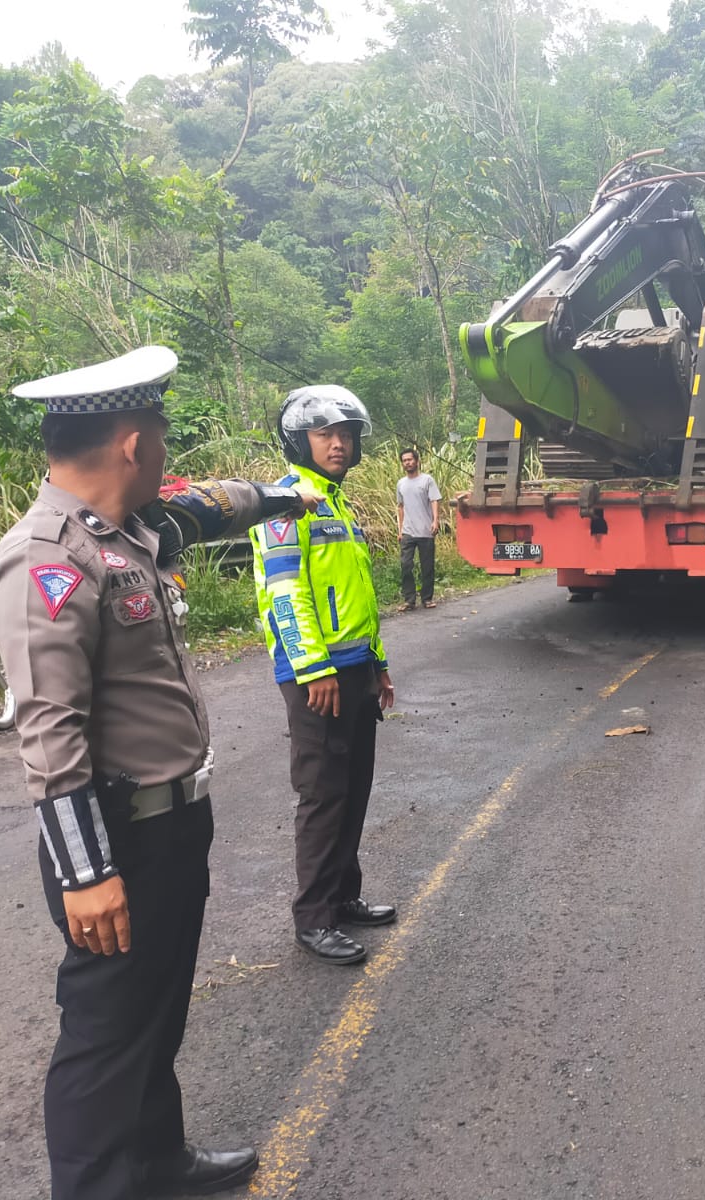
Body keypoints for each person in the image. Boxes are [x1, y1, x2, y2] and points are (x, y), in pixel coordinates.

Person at [0, 345, 323, 1200]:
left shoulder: (130, 531)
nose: (169, 451)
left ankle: (158, 1163)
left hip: (172, 825)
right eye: (163, 434)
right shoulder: (45, 559)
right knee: (105, 1033)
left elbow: (207, 507)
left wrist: (283, 494)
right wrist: (87, 873)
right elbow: (48, 732)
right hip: (113, 838)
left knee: (158, 1009)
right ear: (133, 442)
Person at [251, 385, 398, 966]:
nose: (339, 444)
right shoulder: (288, 502)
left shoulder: (336, 504)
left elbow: (358, 598)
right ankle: (313, 918)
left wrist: (379, 664)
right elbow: (285, 595)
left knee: (353, 787)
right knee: (323, 795)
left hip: (356, 669)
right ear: (299, 440)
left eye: (347, 435)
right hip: (318, 674)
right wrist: (313, 667)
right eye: (325, 435)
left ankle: (344, 896)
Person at [395, 447, 442, 611]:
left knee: (427, 566)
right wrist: (400, 529)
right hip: (408, 531)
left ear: (417, 461)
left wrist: (435, 521)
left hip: (425, 531)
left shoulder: (427, 480)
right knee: (406, 565)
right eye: (404, 460)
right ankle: (409, 600)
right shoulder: (401, 483)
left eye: (410, 459)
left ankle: (427, 599)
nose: (407, 462)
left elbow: (434, 500)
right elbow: (400, 507)